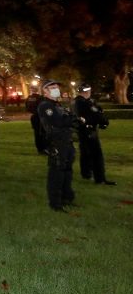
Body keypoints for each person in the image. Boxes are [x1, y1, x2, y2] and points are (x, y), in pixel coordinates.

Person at [37, 79, 79, 212]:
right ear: (45, 91)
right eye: (53, 87)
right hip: (56, 142)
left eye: (57, 87)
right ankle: (55, 203)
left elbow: (70, 119)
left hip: (67, 141)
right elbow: (59, 121)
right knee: (56, 173)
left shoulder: (58, 105)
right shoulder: (45, 106)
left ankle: (67, 197)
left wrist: (71, 119)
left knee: (67, 171)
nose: (57, 89)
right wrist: (71, 119)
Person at [73, 82, 115, 186]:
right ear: (87, 91)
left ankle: (86, 173)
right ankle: (100, 178)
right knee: (97, 155)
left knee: (85, 153)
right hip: (89, 131)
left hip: (81, 130)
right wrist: (105, 122)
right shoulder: (86, 102)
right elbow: (97, 114)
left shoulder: (75, 102)